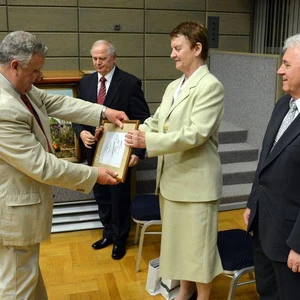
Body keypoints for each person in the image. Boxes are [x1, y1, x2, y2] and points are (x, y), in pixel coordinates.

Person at [0, 30, 128, 299]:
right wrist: (94, 175)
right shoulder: (4, 109)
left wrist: (103, 112)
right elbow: (42, 166)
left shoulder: (20, 89)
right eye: (35, 71)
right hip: (13, 216)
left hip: (20, 211)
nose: (39, 78)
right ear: (15, 65)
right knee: (15, 288)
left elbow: (56, 101)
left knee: (26, 279)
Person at [125, 21, 224, 300]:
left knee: (199, 250)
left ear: (197, 48)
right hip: (171, 181)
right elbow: (155, 123)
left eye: (177, 48)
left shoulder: (210, 86)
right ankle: (185, 292)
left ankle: (202, 297)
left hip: (196, 183)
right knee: (179, 247)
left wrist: (148, 142)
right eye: (172, 48)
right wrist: (128, 134)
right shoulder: (173, 86)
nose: (172, 54)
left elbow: (197, 134)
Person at [72, 40, 150, 260]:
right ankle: (107, 233)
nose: (97, 63)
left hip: (120, 153)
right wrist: (81, 132)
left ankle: (120, 239)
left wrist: (137, 152)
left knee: (119, 197)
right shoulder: (86, 83)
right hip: (94, 152)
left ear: (114, 57)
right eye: (94, 58)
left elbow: (143, 119)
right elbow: (77, 115)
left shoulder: (130, 83)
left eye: (102, 58)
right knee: (101, 196)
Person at [243, 34, 300, 299]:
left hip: (291, 240)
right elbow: (265, 161)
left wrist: (299, 245)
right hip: (264, 227)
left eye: (286, 65)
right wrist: (252, 204)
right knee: (266, 291)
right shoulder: (282, 105)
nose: (279, 70)